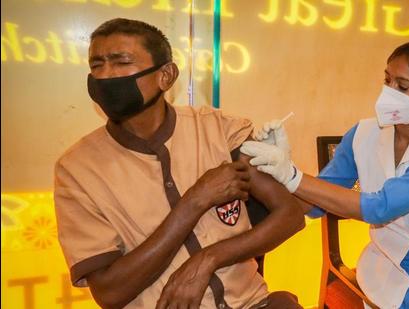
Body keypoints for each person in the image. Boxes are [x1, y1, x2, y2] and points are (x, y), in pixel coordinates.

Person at [53, 18, 305, 309]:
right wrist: (194, 201)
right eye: (97, 65)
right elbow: (110, 293)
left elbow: (289, 216)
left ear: (166, 75)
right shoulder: (77, 170)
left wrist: (207, 259)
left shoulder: (219, 129)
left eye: (121, 62)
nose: (106, 76)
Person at [241, 40, 409, 309]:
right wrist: (271, 169)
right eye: (387, 80)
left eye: (402, 86)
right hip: (386, 263)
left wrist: (291, 175)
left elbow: (381, 207)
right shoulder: (363, 135)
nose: (389, 92)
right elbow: (312, 205)